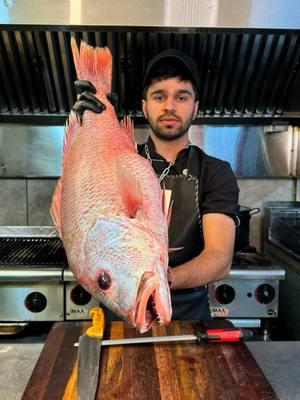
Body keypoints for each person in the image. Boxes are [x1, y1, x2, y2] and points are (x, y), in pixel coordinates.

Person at [72, 49, 239, 320]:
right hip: (121, 309)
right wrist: (85, 129)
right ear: (144, 105)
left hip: (190, 319)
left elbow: (219, 258)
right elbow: (80, 207)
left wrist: (160, 279)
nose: (169, 106)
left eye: (181, 97)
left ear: (195, 107)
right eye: (159, 96)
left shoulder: (215, 172)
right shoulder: (117, 161)